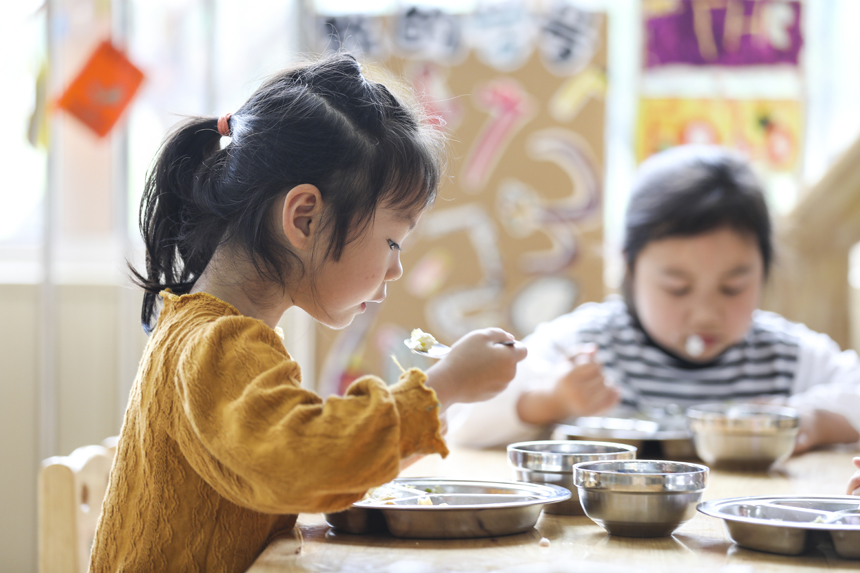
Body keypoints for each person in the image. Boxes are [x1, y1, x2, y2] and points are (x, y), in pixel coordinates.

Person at [89, 53, 526, 573]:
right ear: (304, 218)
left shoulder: (215, 332)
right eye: (392, 242)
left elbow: (312, 466)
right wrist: (442, 387)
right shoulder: (218, 345)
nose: (395, 271)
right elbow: (304, 462)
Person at [446, 145, 860, 452]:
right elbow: (464, 423)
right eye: (677, 287)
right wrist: (552, 401)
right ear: (628, 268)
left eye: (733, 286)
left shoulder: (785, 357)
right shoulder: (587, 345)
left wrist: (814, 420)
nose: (705, 312)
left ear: (765, 269)